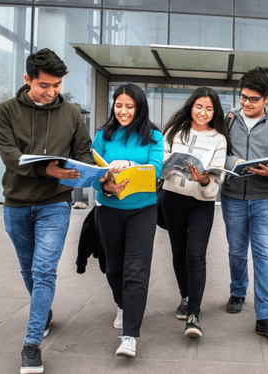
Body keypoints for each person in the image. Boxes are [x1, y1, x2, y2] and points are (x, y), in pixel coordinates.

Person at [0, 48, 94, 374]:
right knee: (28, 269)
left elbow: (84, 153)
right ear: (27, 80)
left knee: (44, 270)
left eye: (57, 85)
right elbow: (10, 156)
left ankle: (32, 343)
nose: (51, 93)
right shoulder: (5, 111)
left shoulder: (73, 114)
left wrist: (89, 172)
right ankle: (44, 311)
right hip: (17, 204)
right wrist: (44, 170)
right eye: (44, 86)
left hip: (56, 203)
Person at [221, 67, 268, 337]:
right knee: (237, 251)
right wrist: (234, 163)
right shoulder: (228, 120)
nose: (247, 104)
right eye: (243, 97)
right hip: (232, 197)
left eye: (253, 99)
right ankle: (237, 292)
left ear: (267, 98)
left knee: (265, 255)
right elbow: (218, 154)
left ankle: (266, 316)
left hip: (265, 199)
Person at [92, 83, 163, 358]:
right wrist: (105, 186)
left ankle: (130, 335)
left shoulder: (153, 136)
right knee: (113, 269)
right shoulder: (103, 135)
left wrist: (131, 167)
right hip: (108, 209)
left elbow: (157, 170)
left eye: (129, 107)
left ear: (140, 108)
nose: (123, 111)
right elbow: (94, 172)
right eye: (118, 105)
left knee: (136, 270)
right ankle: (122, 305)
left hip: (142, 211)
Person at [160, 87, 229, 338]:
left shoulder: (219, 139)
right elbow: (161, 165)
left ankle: (194, 314)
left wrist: (202, 180)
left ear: (214, 112)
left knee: (196, 254)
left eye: (209, 108)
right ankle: (185, 296)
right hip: (172, 198)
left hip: (202, 202)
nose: (203, 112)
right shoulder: (173, 132)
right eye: (199, 106)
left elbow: (217, 177)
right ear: (191, 106)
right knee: (179, 251)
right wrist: (169, 167)